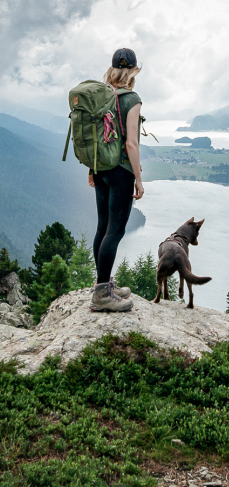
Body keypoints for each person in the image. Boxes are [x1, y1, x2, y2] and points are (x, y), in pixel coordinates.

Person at [89, 48, 144, 312]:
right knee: (115, 230)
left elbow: (95, 136)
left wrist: (92, 169)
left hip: (100, 168)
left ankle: (103, 285)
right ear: (132, 70)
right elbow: (131, 144)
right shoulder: (131, 99)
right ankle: (102, 295)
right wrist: (139, 179)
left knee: (102, 228)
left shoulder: (100, 95)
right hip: (121, 170)